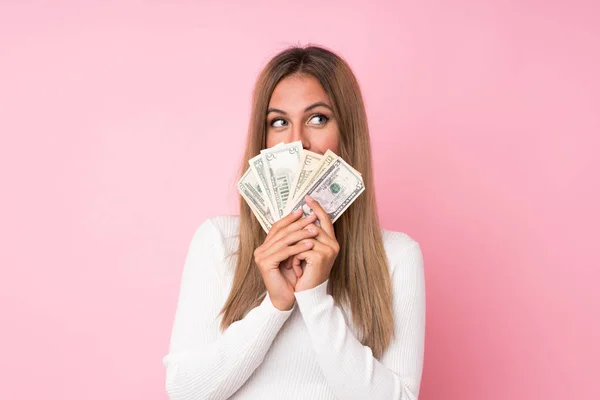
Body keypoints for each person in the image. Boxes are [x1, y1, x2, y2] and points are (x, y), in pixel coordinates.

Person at [162, 45, 426, 400]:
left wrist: (315, 300)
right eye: (279, 122)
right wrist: (275, 305)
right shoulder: (219, 241)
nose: (297, 141)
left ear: (346, 132)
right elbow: (185, 392)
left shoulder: (396, 255)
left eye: (318, 119)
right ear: (264, 138)